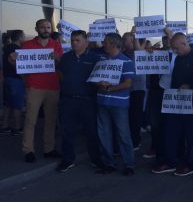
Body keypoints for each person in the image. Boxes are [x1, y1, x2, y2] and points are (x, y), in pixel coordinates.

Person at [152, 32, 193, 176]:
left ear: (184, 43)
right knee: (170, 131)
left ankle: (189, 164)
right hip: (175, 101)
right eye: (172, 48)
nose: (174, 51)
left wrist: (191, 85)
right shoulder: (179, 59)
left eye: (176, 48)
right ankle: (171, 161)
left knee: (191, 135)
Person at [17, 19, 64, 163]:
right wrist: (28, 82)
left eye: (48, 27)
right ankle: (28, 150)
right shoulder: (27, 45)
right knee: (31, 120)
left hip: (53, 88)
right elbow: (21, 67)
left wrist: (59, 60)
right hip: (34, 88)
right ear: (36, 29)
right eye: (43, 27)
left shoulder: (56, 45)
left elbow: (63, 67)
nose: (46, 29)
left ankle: (49, 149)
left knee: (50, 121)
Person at [57, 30, 103, 172]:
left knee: (91, 132)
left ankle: (96, 159)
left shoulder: (95, 58)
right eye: (72, 40)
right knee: (67, 132)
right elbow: (60, 74)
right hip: (68, 101)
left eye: (77, 40)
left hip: (87, 101)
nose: (74, 43)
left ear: (86, 42)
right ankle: (68, 159)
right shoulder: (65, 58)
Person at [95, 33, 136, 176]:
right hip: (102, 102)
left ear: (113, 44)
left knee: (123, 134)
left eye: (105, 42)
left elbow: (128, 83)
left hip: (119, 104)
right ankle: (109, 163)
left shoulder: (126, 61)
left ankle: (129, 164)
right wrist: (99, 84)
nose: (103, 44)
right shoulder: (102, 60)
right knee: (104, 134)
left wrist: (109, 88)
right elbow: (95, 78)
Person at [122, 32, 147, 150]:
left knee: (135, 116)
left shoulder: (138, 53)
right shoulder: (122, 54)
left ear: (133, 41)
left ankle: (136, 141)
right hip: (125, 88)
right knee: (127, 116)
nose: (123, 41)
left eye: (125, 39)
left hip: (137, 88)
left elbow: (139, 52)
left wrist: (137, 35)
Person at [1, 30, 25, 135]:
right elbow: (16, 65)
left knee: (8, 104)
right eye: (23, 36)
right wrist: (23, 77)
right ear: (20, 38)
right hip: (15, 80)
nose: (24, 38)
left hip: (8, 79)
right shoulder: (16, 49)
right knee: (17, 105)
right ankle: (17, 128)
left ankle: (5, 127)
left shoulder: (8, 47)